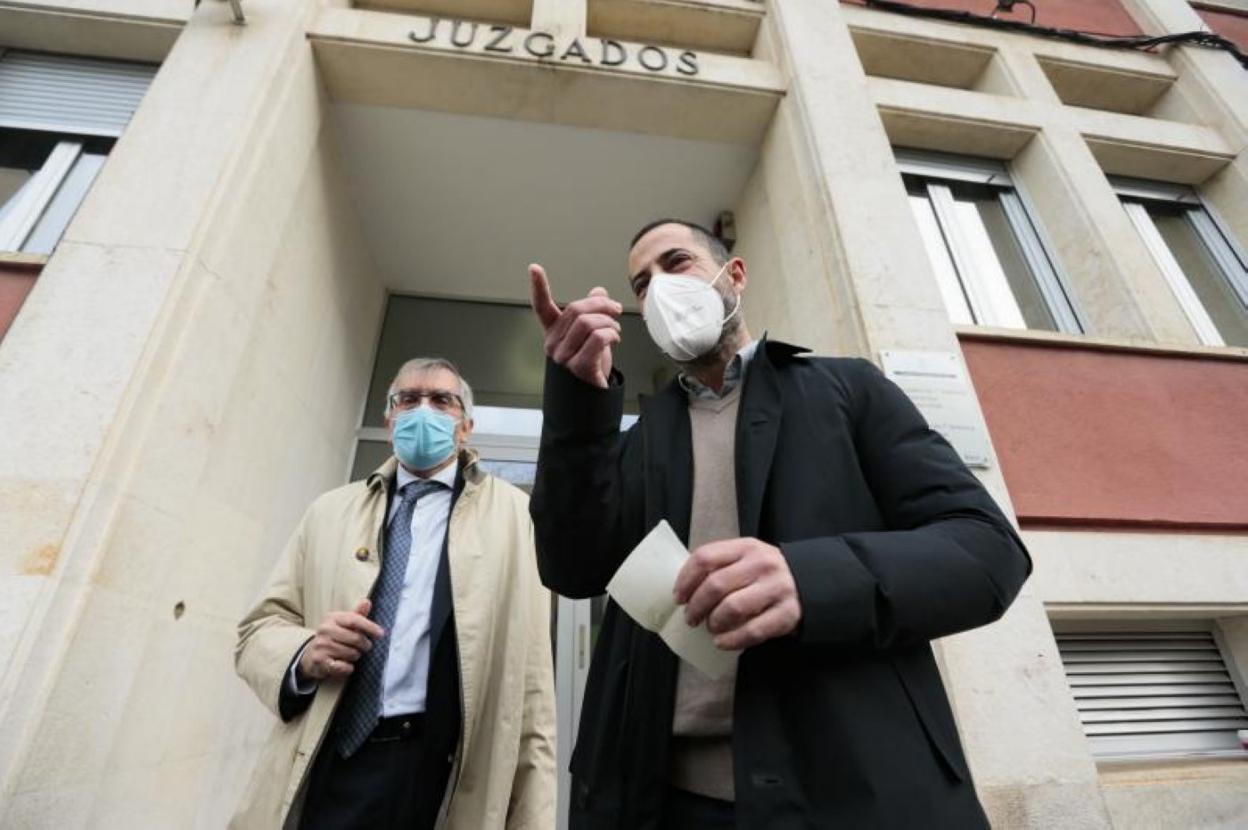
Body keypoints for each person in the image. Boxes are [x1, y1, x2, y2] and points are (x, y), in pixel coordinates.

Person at [527, 220, 1031, 828]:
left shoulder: (847, 389)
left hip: (851, 793)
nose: (658, 289)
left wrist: (811, 579)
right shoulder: (642, 440)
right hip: (659, 800)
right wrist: (578, 405)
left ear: (732, 275)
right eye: (641, 284)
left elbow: (987, 549)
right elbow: (572, 567)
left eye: (675, 263)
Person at [232, 358, 555, 830]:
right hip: (337, 761)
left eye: (441, 400)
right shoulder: (329, 512)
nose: (422, 410)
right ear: (389, 421)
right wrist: (305, 653)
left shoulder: (516, 517)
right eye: (407, 399)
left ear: (465, 426)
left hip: (444, 775)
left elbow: (532, 683)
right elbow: (257, 631)